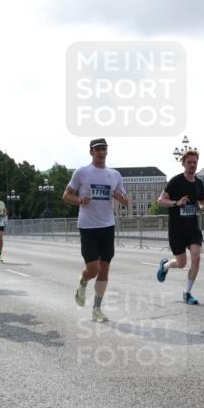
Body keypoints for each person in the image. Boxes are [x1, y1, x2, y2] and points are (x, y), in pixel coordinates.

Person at [62, 138, 129, 322]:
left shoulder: (114, 175)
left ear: (107, 151)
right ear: (91, 152)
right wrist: (79, 200)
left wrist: (120, 198)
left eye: (103, 149)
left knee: (104, 269)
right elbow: (66, 195)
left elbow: (126, 200)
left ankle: (97, 309)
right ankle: (83, 282)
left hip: (107, 225)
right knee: (93, 268)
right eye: (97, 149)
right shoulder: (82, 172)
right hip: (88, 226)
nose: (101, 152)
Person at [155, 150, 204, 304]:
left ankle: (187, 293)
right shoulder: (175, 181)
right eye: (189, 162)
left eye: (195, 162)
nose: (192, 165)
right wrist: (176, 203)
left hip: (192, 227)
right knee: (181, 263)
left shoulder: (199, 183)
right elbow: (160, 201)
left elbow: (201, 203)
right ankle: (165, 265)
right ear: (183, 164)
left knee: (196, 256)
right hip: (177, 229)